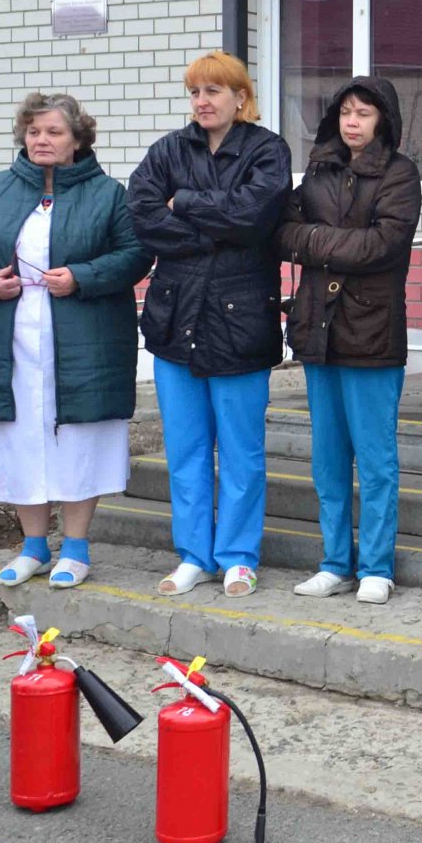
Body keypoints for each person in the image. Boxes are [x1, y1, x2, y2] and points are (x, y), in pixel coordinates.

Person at [0, 93, 151, 590]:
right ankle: (34, 545)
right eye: (35, 131)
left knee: (80, 439)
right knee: (20, 439)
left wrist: (80, 276)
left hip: (84, 339)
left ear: (78, 140)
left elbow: (135, 254)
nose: (42, 140)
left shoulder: (107, 193)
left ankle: (76, 547)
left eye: (55, 132)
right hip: (9, 337)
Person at [128, 52, 292, 599]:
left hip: (240, 320)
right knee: (187, 448)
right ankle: (195, 554)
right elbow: (144, 216)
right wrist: (210, 231)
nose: (202, 102)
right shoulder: (168, 151)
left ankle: (239, 555)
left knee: (242, 450)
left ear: (240, 97)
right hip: (176, 319)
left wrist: (189, 203)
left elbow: (254, 217)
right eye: (195, 92)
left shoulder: (267, 150)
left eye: (213, 92)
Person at [278, 78, 422, 605]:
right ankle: (335, 562)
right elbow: (283, 230)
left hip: (373, 331)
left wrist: (315, 243)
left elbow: (382, 245)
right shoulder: (319, 167)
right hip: (319, 328)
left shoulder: (400, 173)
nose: (352, 122)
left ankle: (377, 566)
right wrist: (325, 243)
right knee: (328, 459)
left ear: (382, 119)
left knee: (376, 458)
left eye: (363, 113)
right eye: (345, 112)